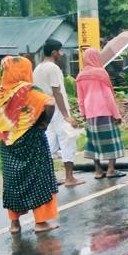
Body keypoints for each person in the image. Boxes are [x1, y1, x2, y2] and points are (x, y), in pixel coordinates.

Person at [0, 56, 60, 233]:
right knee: (39, 177)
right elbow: (49, 103)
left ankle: (14, 224)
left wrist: (5, 128)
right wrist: (43, 123)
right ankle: (40, 222)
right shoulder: (28, 90)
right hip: (31, 139)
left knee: (13, 181)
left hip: (7, 141)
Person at [33, 38, 83, 186]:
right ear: (54, 52)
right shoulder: (53, 68)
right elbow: (57, 92)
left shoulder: (37, 68)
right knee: (68, 139)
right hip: (57, 109)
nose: (61, 54)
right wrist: (67, 116)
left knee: (49, 143)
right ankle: (69, 177)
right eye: (60, 51)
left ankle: (48, 178)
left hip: (43, 109)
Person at [76, 47, 126, 179]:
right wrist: (117, 114)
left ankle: (98, 171)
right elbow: (108, 96)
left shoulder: (80, 75)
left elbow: (80, 98)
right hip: (105, 111)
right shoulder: (101, 73)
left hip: (90, 113)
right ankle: (110, 169)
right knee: (111, 141)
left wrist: (83, 113)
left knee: (94, 142)